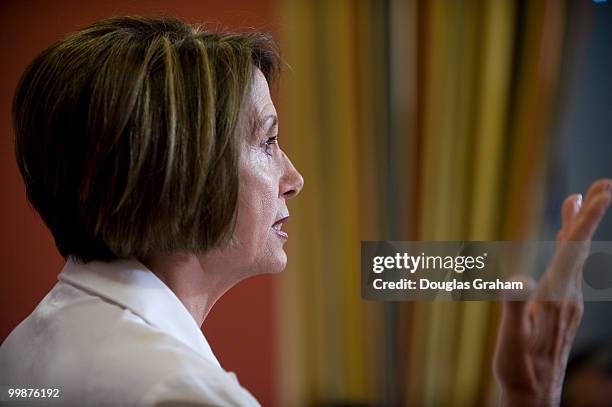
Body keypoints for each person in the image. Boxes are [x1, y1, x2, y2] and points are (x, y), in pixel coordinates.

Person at [0, 16, 610, 407]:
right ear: (177, 175)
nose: (294, 178)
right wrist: (535, 398)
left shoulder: (27, 347)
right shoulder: (183, 393)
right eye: (267, 143)